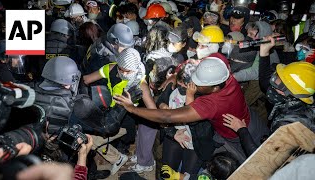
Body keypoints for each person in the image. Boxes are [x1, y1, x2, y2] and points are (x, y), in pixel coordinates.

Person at [115, 57, 268, 163]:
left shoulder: (211, 104)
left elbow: (166, 117)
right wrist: (175, 75)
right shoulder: (224, 73)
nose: (193, 83)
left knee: (251, 164)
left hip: (235, 137)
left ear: (214, 87)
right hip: (250, 118)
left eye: (199, 83)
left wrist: (131, 108)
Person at [82, 48, 157, 174]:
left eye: (126, 71)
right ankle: (118, 155)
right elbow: (86, 79)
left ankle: (119, 156)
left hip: (126, 120)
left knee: (93, 139)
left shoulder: (140, 84)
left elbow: (154, 111)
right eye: (120, 68)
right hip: (107, 112)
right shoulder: (111, 68)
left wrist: (131, 106)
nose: (122, 73)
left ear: (134, 69)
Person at [258, 36, 315, 132]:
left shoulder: (288, 125)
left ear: (291, 92)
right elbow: (264, 82)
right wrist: (264, 52)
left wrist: (242, 131)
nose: (273, 81)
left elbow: (272, 147)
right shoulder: (290, 99)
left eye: (279, 83)